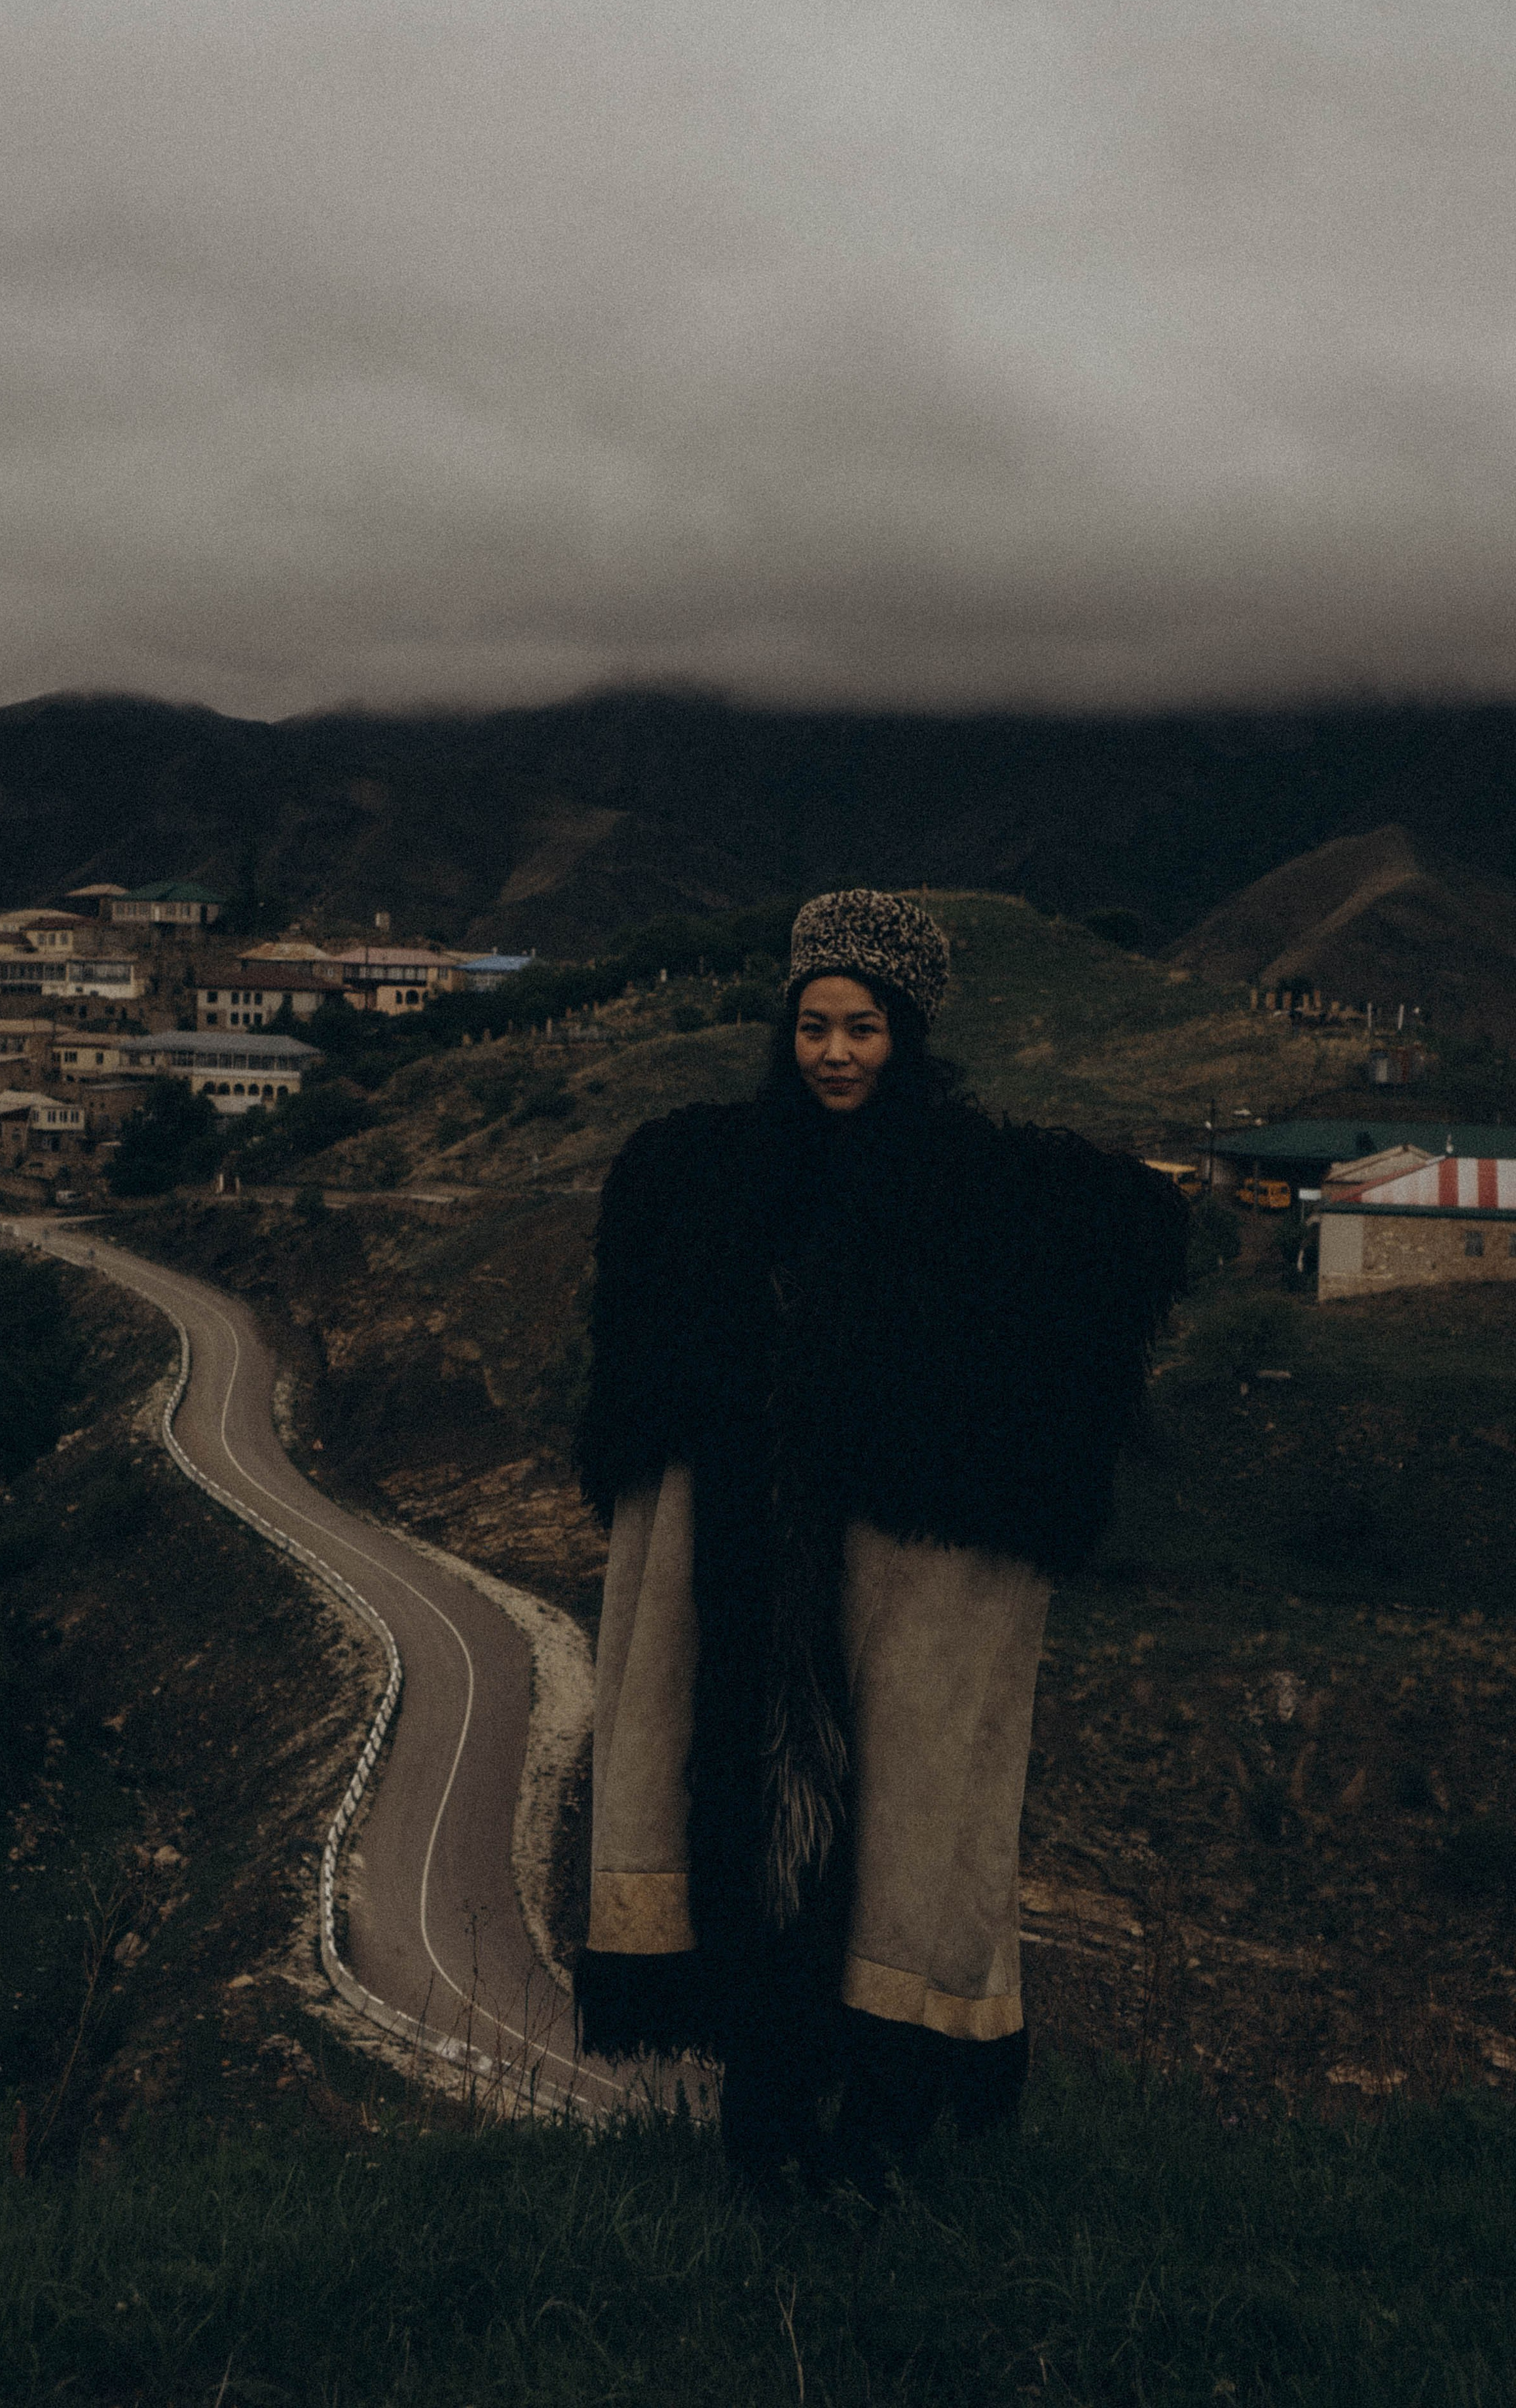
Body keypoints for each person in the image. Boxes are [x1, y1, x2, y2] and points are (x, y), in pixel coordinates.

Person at [573, 888, 1187, 2194]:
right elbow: (653, 1339)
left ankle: (878, 2132)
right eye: (814, 1027)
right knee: (742, 1823)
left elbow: (1105, 1248)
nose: (835, 1053)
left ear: (905, 1034)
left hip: (880, 1572)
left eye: (862, 1028)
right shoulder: (722, 1173)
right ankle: (765, 2119)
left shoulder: (965, 1186)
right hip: (742, 1562)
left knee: (901, 1829)